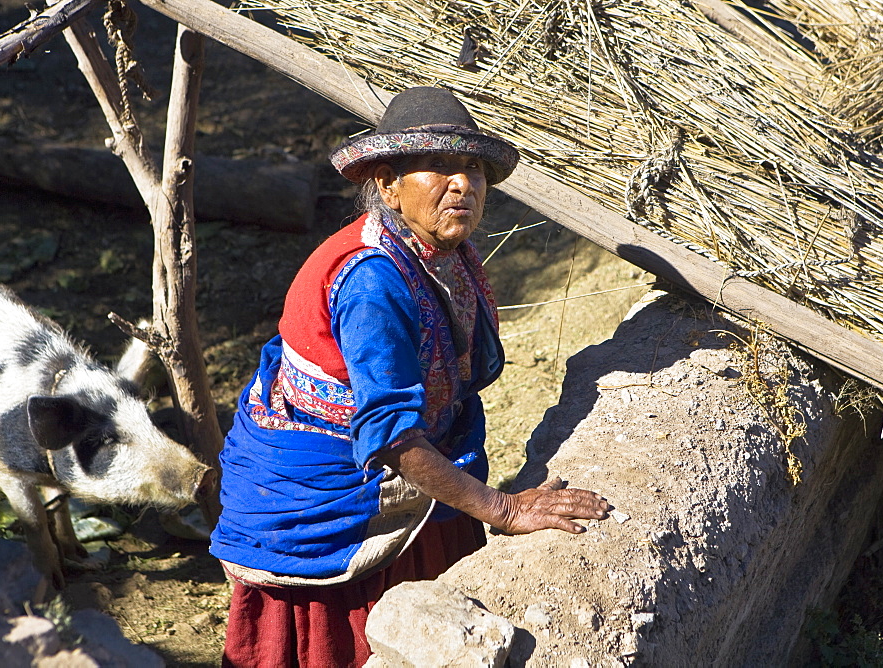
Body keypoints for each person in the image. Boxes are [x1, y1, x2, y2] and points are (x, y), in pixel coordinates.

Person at [209, 86, 610, 667]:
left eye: (472, 168)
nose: (464, 184)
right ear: (388, 184)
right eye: (438, 167)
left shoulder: (442, 255)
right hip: (334, 495)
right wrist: (505, 509)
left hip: (421, 465)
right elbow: (391, 437)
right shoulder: (374, 281)